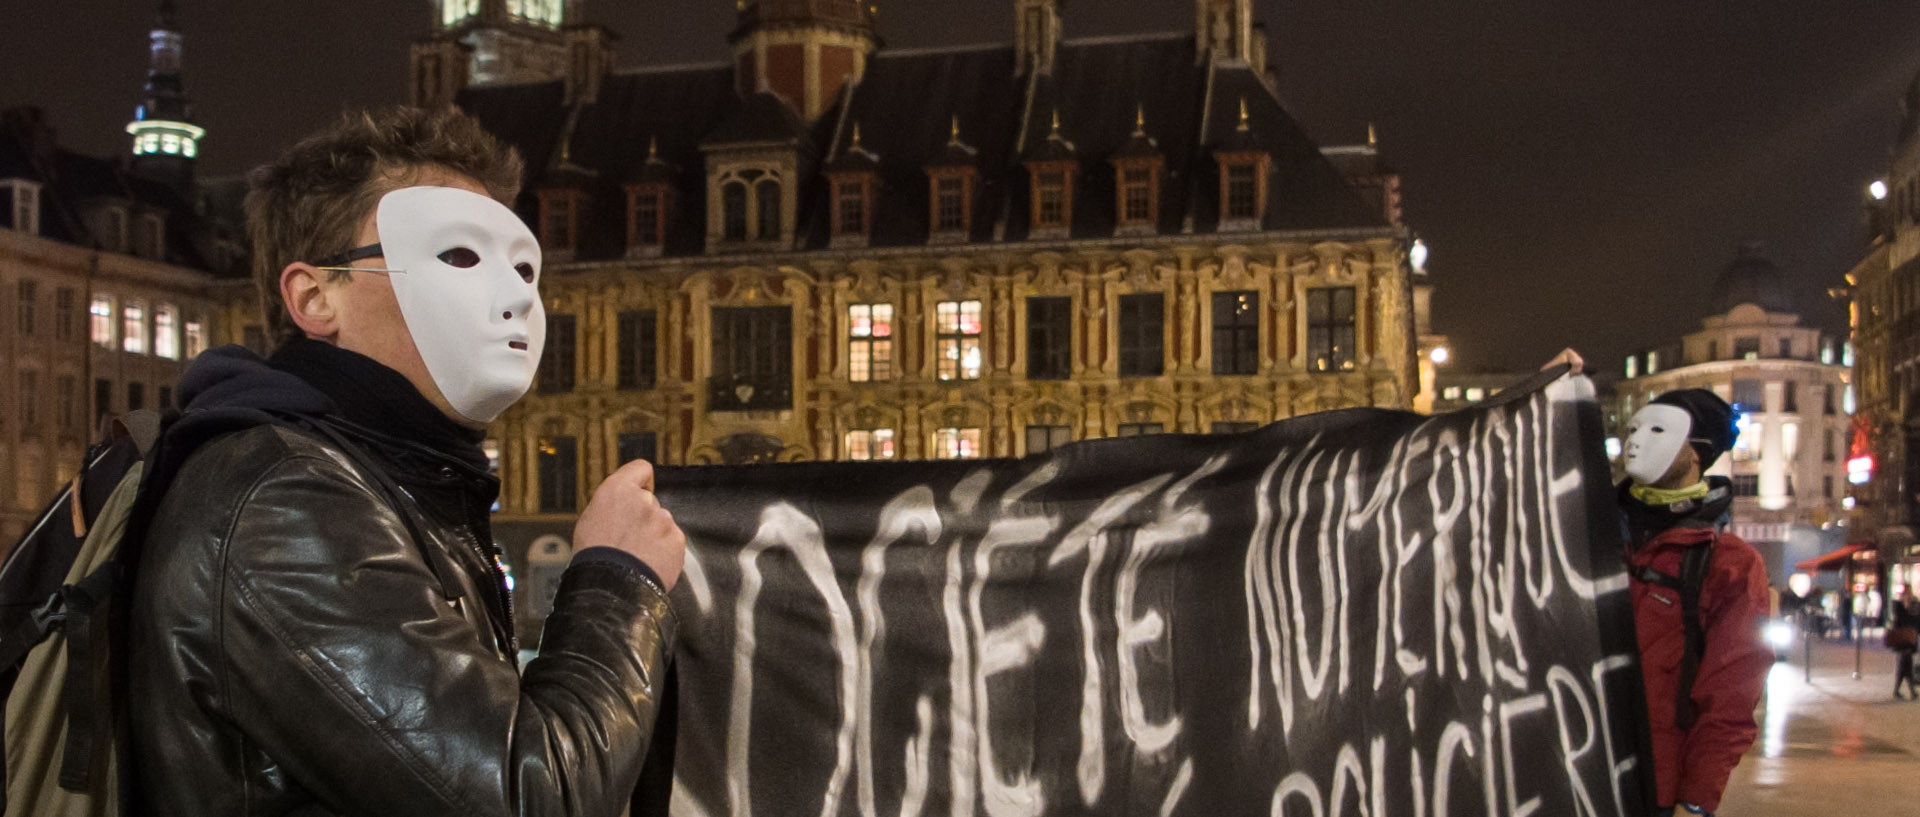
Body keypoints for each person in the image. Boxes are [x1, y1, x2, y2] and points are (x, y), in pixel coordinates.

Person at [125, 107, 685, 814]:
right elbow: (525, 796)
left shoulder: (386, 481)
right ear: (313, 295)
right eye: (458, 255)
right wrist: (617, 579)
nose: (515, 294)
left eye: (524, 266)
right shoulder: (284, 506)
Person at [1618, 389, 1772, 817]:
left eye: (1658, 429)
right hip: (1573, 776)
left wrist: (1695, 801)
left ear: (1699, 452)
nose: (1635, 441)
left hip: (1655, 793)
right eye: (1632, 428)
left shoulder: (1731, 563)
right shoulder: (1589, 535)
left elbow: (1730, 698)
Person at [1892, 595, 1920, 700]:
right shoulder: (1906, 616)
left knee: (1904, 669)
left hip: (1903, 647)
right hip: (1906, 646)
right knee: (1906, 669)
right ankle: (1910, 691)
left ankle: (1901, 691)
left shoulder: (1901, 615)